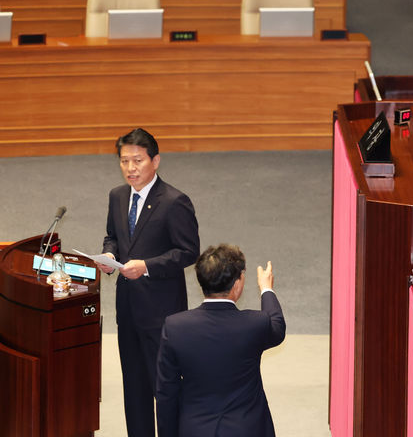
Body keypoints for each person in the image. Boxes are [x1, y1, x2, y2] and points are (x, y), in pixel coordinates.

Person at [98, 128, 200, 437]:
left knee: (165, 389)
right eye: (124, 161)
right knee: (134, 387)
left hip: (162, 313)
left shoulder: (174, 201)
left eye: (137, 161)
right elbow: (113, 236)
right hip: (128, 309)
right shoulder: (117, 196)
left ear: (155, 161)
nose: (130, 168)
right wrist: (108, 255)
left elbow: (188, 252)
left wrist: (147, 267)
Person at [156, 244, 286, 437]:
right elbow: (278, 325)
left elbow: (166, 393)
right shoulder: (255, 324)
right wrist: (266, 288)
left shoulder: (175, 327)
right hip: (247, 429)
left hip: (195, 430)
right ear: (237, 284)